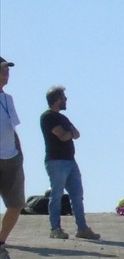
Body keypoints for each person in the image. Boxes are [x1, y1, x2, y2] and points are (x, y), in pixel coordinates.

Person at [39, 86, 100, 240]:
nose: (66, 100)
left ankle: (82, 228)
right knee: (57, 195)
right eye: (64, 97)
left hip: (70, 161)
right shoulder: (48, 117)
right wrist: (69, 133)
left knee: (77, 195)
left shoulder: (63, 118)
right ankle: (55, 229)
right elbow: (63, 136)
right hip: (56, 161)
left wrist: (70, 133)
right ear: (57, 99)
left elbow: (76, 134)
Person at [0, 57, 24, 259]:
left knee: (16, 205)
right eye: (2, 71)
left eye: (7, 71)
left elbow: (11, 127)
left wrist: (19, 153)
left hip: (11, 158)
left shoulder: (8, 99)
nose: (6, 74)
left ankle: (0, 244)